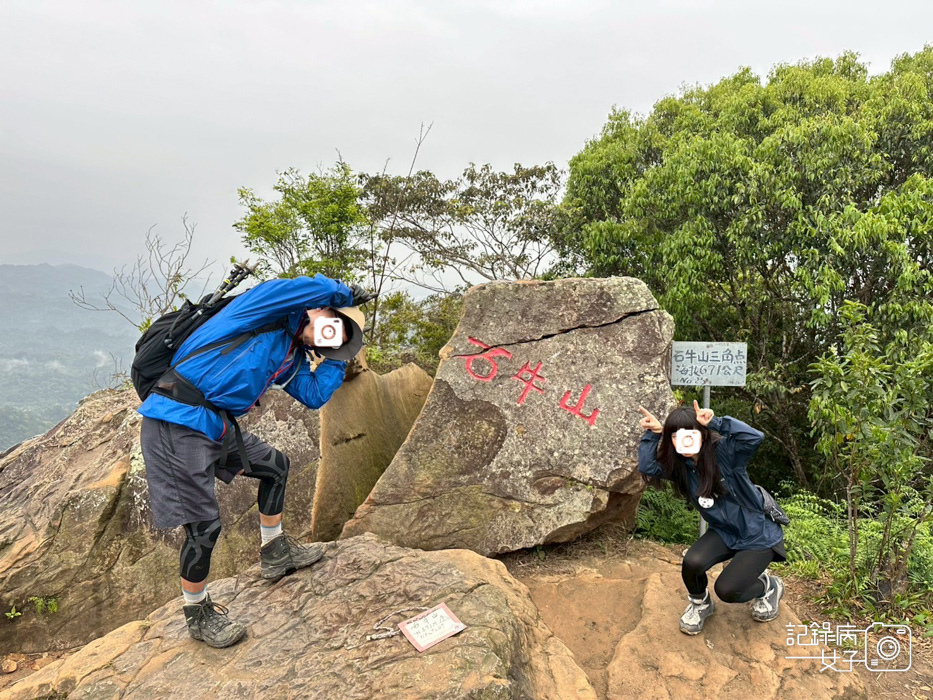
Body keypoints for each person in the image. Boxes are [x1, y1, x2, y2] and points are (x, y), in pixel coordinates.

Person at [138, 274, 374, 648]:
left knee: (275, 467)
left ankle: (275, 551)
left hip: (214, 424)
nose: (328, 335)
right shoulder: (265, 307)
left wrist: (337, 359)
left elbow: (313, 395)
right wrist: (345, 294)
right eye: (332, 326)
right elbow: (303, 288)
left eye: (334, 340)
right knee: (204, 528)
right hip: (175, 419)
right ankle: (197, 614)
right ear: (321, 310)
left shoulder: (291, 356)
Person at [636, 400, 786, 635]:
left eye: (691, 433)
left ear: (703, 434)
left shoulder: (725, 454)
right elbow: (647, 467)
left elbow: (754, 438)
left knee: (728, 590)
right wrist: (654, 434)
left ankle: (768, 586)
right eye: (675, 435)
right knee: (692, 563)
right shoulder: (681, 466)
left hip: (757, 534)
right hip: (724, 532)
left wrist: (716, 422)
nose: (683, 440)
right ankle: (701, 604)